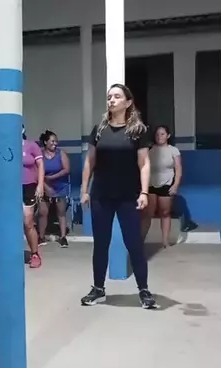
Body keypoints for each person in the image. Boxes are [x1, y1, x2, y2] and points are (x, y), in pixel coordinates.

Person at [80, 83, 156, 309]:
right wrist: (84, 190)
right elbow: (90, 162)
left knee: (133, 243)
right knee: (101, 244)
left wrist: (144, 192)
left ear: (128, 102)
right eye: (109, 97)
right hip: (101, 194)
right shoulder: (99, 130)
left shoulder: (138, 131)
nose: (111, 100)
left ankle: (143, 290)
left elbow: (144, 163)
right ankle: (98, 288)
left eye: (117, 96)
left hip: (128, 196)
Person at [141, 125, 181, 248]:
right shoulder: (149, 150)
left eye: (162, 134)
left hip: (167, 184)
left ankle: (165, 241)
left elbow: (178, 169)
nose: (159, 136)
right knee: (148, 214)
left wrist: (175, 185)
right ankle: (139, 241)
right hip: (151, 185)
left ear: (168, 136)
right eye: (157, 134)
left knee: (165, 213)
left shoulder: (173, 150)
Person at [37, 130, 70, 248]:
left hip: (60, 187)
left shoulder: (61, 153)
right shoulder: (40, 154)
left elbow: (66, 169)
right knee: (43, 212)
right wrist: (45, 186)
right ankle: (41, 237)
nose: (55, 143)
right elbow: (37, 172)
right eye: (52, 141)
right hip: (44, 186)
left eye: (56, 141)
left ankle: (63, 237)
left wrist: (52, 177)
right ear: (45, 142)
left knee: (61, 212)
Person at [22, 133, 45, 267]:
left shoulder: (31, 145)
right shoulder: (7, 145)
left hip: (29, 187)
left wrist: (40, 185)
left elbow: (40, 165)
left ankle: (35, 254)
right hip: (10, 188)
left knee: (28, 222)